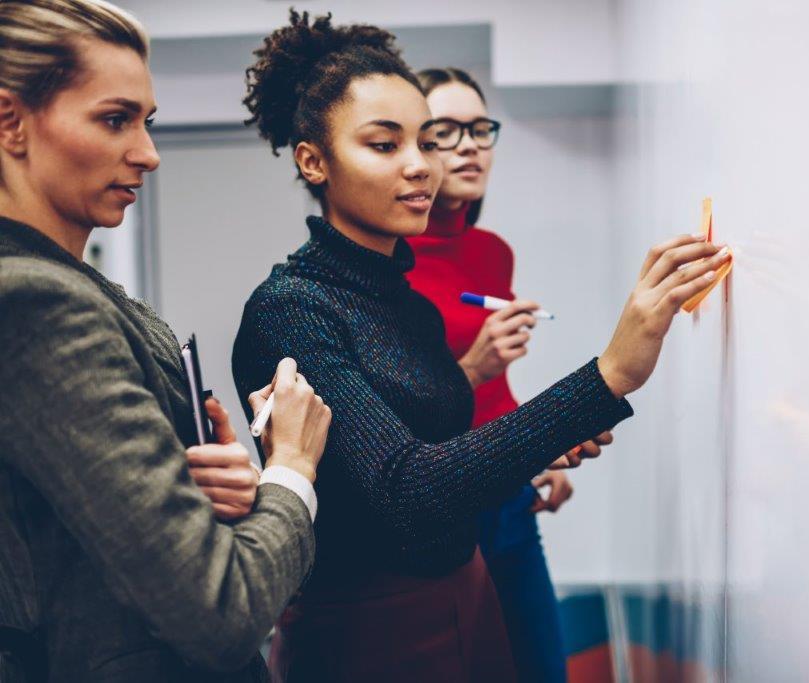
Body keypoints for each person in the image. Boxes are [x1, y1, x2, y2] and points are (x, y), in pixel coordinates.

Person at [232, 11, 731, 682]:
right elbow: (407, 489)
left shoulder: (404, 300)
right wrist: (608, 375)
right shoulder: (293, 309)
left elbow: (444, 436)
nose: (421, 166)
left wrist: (542, 439)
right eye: (385, 145)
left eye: (423, 142)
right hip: (367, 635)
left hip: (468, 595)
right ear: (313, 161)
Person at [0, 2, 332, 681]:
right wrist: (291, 469)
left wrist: (208, 490)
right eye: (115, 119)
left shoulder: (83, 290)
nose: (148, 153)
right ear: (11, 121)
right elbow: (220, 612)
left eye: (145, 122)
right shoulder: (37, 302)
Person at [405, 66, 590, 682]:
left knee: (542, 668)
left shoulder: (492, 251)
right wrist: (472, 364)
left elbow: (496, 388)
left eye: (480, 128)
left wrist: (533, 451)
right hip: (442, 508)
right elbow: (393, 418)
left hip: (507, 494)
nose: (469, 145)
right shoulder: (388, 264)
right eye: (446, 130)